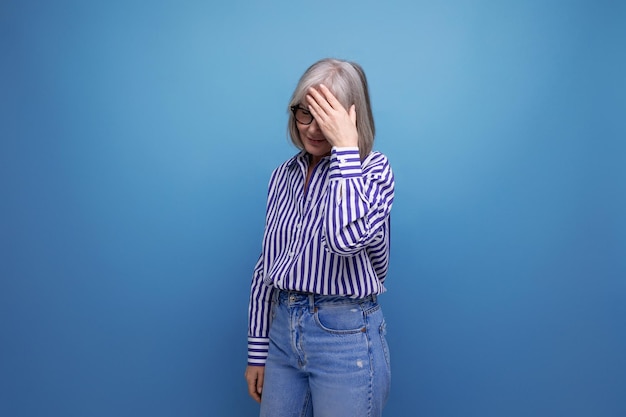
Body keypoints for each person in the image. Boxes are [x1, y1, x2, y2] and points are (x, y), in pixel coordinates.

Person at [245, 58, 395, 417]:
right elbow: (268, 265)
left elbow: (345, 239)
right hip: (283, 334)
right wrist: (257, 348)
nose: (313, 129)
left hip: (344, 336)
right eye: (305, 113)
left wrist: (346, 148)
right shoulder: (282, 176)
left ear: (351, 119)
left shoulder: (374, 170)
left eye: (328, 118)